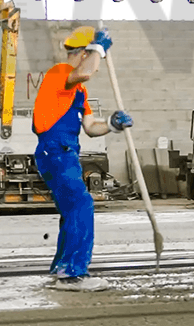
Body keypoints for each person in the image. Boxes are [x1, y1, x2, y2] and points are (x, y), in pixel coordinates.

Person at [32, 26, 133, 291]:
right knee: (81, 205)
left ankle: (61, 268)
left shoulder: (79, 92)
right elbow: (86, 71)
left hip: (66, 154)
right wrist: (100, 47)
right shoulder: (60, 74)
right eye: (94, 56)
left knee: (72, 210)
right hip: (54, 152)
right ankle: (73, 274)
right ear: (84, 53)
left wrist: (112, 125)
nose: (97, 67)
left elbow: (90, 128)